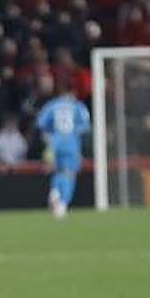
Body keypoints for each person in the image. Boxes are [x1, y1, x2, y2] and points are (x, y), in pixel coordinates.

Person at [35, 86, 91, 218]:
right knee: (69, 174)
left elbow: (40, 123)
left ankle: (55, 191)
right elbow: (85, 125)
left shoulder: (51, 105)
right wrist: (74, 132)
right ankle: (62, 204)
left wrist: (51, 134)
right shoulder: (77, 106)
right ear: (71, 94)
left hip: (53, 143)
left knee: (58, 171)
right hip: (71, 143)